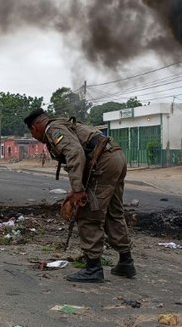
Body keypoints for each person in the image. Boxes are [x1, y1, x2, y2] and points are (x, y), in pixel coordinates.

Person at [23, 108, 135, 283]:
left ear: (35, 127)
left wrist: (77, 191)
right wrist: (77, 187)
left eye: (32, 132)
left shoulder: (53, 130)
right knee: (114, 212)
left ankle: (93, 268)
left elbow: (75, 153)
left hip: (103, 161)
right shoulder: (64, 124)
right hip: (115, 156)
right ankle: (126, 262)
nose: (34, 135)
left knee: (89, 213)